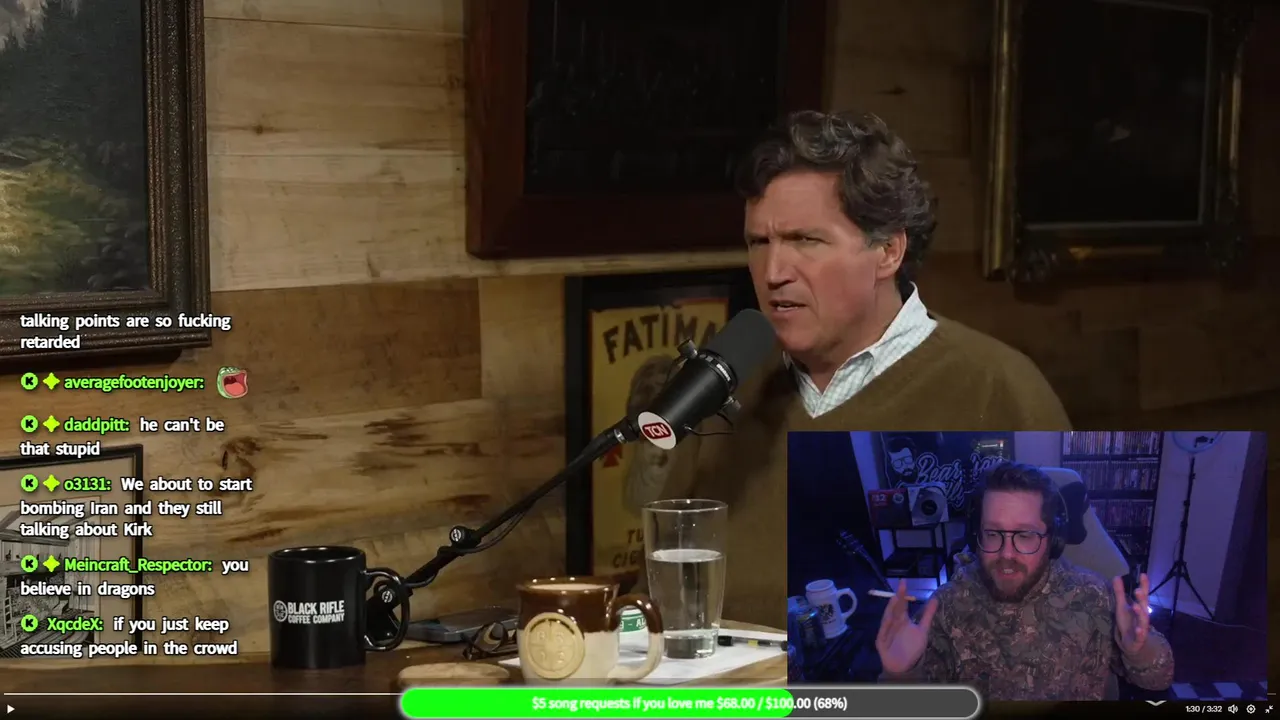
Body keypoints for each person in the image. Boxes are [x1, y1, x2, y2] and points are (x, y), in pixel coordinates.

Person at [651, 111, 1069, 629]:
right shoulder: (727, 385)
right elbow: (662, 588)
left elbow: (1050, 616)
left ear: (888, 250)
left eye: (806, 241)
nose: (774, 273)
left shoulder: (998, 387)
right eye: (759, 243)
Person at [876, 463, 1174, 701]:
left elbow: (1159, 679)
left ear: (1052, 540)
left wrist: (1140, 651)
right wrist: (900, 674)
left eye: (1025, 535)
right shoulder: (947, 605)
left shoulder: (1094, 597)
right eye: (993, 533)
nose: (1006, 554)